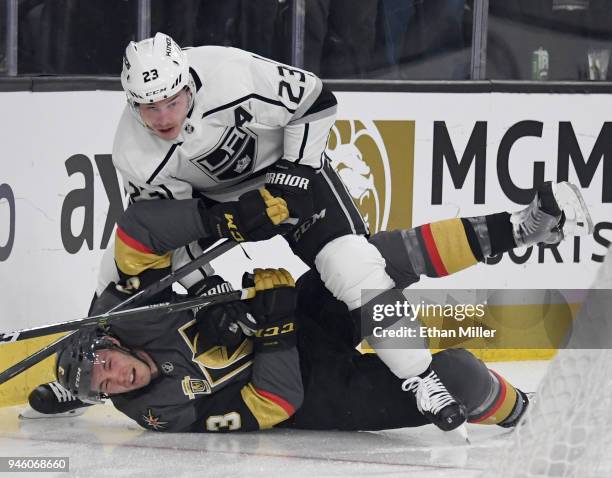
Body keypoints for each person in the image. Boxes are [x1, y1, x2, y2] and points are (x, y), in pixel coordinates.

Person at [25, 178, 593, 434]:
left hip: (288, 318)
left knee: (372, 259)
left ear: (108, 340)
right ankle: (529, 413)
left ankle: (520, 228)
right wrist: (272, 327)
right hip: (318, 390)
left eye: (102, 363)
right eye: (101, 388)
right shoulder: (159, 412)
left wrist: (223, 220)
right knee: (461, 377)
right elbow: (274, 403)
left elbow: (138, 228)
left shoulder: (127, 310)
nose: (114, 379)